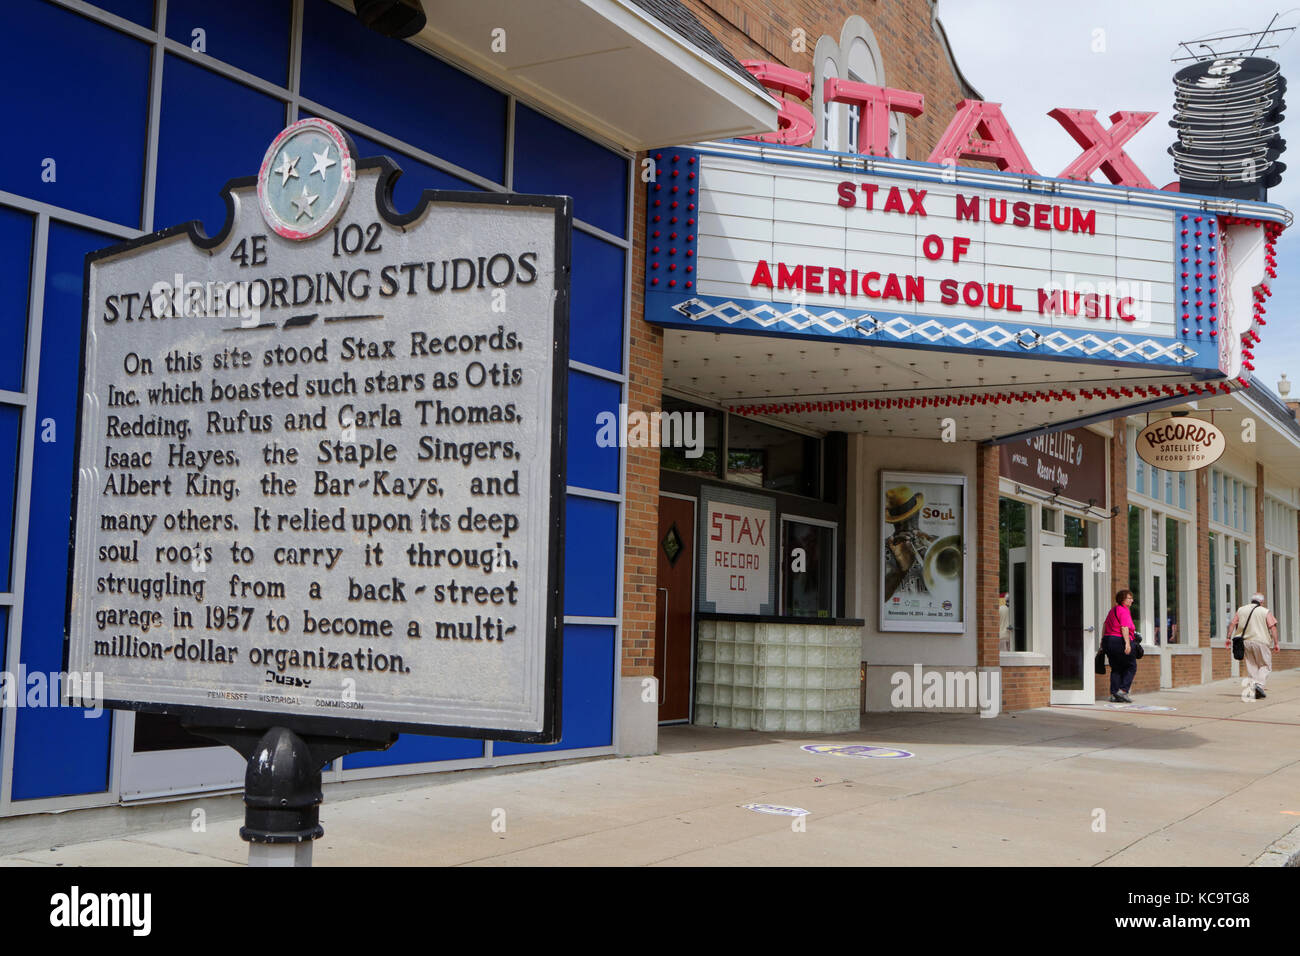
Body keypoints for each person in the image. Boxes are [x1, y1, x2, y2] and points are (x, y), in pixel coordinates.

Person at [1226, 593, 1280, 699]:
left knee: (1252, 666)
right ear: (1261, 602)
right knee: (1265, 665)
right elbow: (1273, 628)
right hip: (1261, 641)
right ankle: (1259, 685)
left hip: (1245, 642)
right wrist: (1276, 643)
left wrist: (1228, 637)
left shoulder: (1241, 610)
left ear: (1252, 600)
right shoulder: (1265, 611)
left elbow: (1232, 623)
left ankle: (1254, 687)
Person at [1101, 589, 1138, 702]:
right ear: (1122, 599)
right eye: (1129, 598)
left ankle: (1114, 694)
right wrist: (1127, 644)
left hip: (1108, 640)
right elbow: (1124, 627)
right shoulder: (1123, 610)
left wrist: (1102, 641)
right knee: (1131, 666)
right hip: (1119, 641)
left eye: (1132, 598)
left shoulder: (1113, 610)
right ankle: (1123, 691)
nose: (1132, 600)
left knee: (1116, 668)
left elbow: (1105, 625)